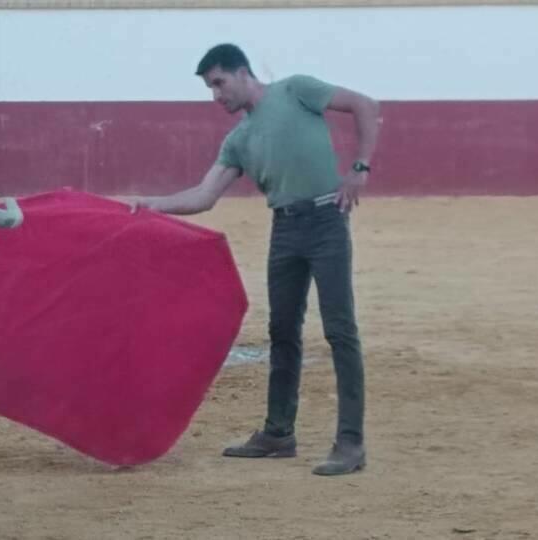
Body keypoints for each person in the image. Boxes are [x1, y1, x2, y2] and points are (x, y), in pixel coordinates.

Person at [128, 43, 380, 476]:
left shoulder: (296, 90)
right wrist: (152, 205)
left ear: (243, 73)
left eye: (219, 83)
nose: (216, 95)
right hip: (284, 229)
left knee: (340, 330)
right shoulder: (239, 140)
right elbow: (203, 196)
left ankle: (351, 442)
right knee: (282, 331)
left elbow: (364, 105)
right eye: (210, 88)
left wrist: (359, 169)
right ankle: (279, 433)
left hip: (326, 220)